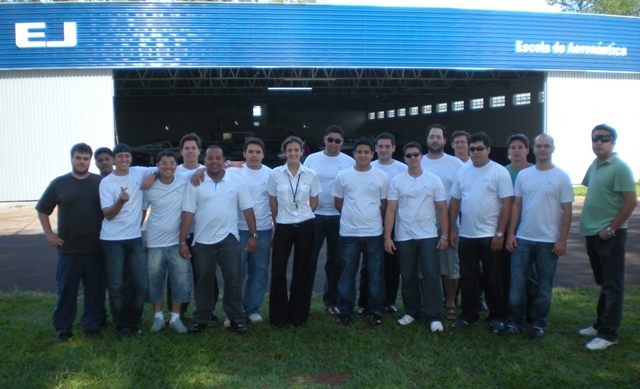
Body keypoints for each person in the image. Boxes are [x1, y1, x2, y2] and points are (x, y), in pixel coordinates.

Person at [180, 145, 257, 335]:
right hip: (202, 241)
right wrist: (182, 241)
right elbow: (188, 212)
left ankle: (235, 318)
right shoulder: (195, 182)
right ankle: (202, 317)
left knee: (233, 279)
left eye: (218, 158)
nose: (214, 161)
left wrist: (253, 235)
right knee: (204, 280)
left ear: (224, 161)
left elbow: (247, 209)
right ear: (204, 162)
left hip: (229, 239)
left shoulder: (236, 181)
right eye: (210, 158)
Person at [505, 134, 573, 338]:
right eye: (539, 146)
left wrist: (562, 239)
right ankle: (514, 322)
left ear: (553, 149)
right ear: (533, 149)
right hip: (523, 239)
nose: (542, 149)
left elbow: (567, 210)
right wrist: (511, 234)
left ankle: (538, 323)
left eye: (546, 146)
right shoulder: (525, 175)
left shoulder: (562, 176)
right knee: (517, 284)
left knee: (544, 286)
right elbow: (516, 206)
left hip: (548, 242)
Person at [36, 143, 106, 342]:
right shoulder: (59, 183)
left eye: (85, 158)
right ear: (72, 159)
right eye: (78, 158)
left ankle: (92, 326)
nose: (82, 162)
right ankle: (63, 329)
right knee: (67, 290)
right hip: (69, 249)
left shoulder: (100, 182)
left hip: (96, 248)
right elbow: (42, 210)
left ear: (90, 161)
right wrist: (49, 234)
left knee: (95, 290)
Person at [579, 124, 637, 351]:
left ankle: (608, 334)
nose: (599, 142)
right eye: (595, 138)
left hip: (610, 235)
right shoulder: (594, 165)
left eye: (604, 138)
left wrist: (611, 229)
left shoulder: (620, 167)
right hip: (592, 233)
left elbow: (631, 201)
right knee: (603, 283)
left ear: (613, 141)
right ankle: (599, 324)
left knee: (612, 285)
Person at [449, 132, 513, 333]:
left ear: (488, 150)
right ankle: (469, 314)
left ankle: (497, 317)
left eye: (479, 148)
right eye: (472, 149)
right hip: (467, 235)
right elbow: (455, 202)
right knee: (468, 277)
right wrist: (451, 229)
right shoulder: (462, 172)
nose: (475, 152)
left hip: (490, 236)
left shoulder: (499, 172)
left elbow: (507, 204)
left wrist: (500, 234)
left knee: (493, 278)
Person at [385, 141, 449, 332]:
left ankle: (434, 315)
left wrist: (444, 235)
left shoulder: (433, 180)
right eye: (409, 155)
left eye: (416, 154)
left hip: (428, 235)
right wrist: (388, 237)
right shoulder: (397, 180)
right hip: (404, 236)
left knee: (431, 275)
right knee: (408, 276)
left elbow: (442, 209)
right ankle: (412, 311)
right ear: (404, 159)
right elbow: (390, 210)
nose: (413, 158)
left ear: (421, 156)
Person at [99, 143, 154, 339]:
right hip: (112, 240)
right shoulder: (106, 183)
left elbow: (165, 168)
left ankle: (135, 322)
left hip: (135, 238)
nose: (124, 160)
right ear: (114, 160)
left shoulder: (138, 172)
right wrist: (121, 200)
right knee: (116, 285)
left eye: (127, 157)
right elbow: (108, 214)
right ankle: (122, 326)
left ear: (131, 159)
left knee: (141, 285)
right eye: (120, 157)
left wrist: (153, 176)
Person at [334, 137, 388, 326]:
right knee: (347, 273)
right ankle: (345, 310)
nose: (363, 155)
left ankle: (375, 310)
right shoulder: (343, 176)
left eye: (367, 152)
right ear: (354, 154)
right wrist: (353, 217)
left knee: (375, 274)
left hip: (373, 233)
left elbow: (383, 205)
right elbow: (339, 203)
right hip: (349, 233)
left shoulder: (381, 176)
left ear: (372, 154)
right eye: (359, 152)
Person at [268, 136, 321, 327]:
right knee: (278, 270)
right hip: (283, 225)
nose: (292, 153)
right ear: (285, 152)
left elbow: (314, 200)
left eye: (296, 150)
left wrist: (303, 213)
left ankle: (299, 316)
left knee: (302, 270)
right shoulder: (275, 174)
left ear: (302, 151)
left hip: (305, 226)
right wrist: (277, 221)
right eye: (289, 150)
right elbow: (272, 201)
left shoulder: (311, 174)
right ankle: (278, 317)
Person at [303, 125, 354, 315]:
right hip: (314, 216)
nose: (333, 144)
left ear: (343, 142)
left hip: (338, 217)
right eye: (330, 139)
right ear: (324, 139)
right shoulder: (312, 159)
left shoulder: (349, 162)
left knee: (336, 261)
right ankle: (303, 300)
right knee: (309, 259)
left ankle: (331, 300)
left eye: (338, 141)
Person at [357, 132, 407, 315]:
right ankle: (364, 301)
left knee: (392, 265)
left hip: (394, 223)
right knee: (368, 265)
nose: (384, 150)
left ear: (394, 148)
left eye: (388, 146)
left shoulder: (402, 168)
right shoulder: (367, 166)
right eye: (380, 146)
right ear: (375, 149)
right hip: (371, 224)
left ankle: (389, 301)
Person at [143, 150, 191, 334]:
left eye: (171, 163)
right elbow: (142, 210)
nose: (168, 166)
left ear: (176, 165)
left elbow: (204, 169)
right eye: (163, 163)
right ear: (157, 165)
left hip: (176, 242)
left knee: (180, 279)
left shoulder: (183, 178)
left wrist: (230, 163)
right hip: (154, 242)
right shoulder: (150, 185)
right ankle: (158, 317)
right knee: (155, 279)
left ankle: (176, 318)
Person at [421, 124, 464, 321]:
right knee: (426, 267)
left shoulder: (456, 165)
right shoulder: (418, 162)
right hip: (424, 225)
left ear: (445, 141)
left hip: (450, 223)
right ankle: (429, 302)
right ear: (427, 140)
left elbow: (462, 196)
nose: (435, 140)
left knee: (450, 266)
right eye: (432, 137)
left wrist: (453, 227)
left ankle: (450, 303)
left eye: (439, 137)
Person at [228, 137, 273, 324]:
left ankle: (252, 308)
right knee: (236, 272)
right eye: (250, 152)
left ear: (263, 154)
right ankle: (234, 311)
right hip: (238, 229)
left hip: (263, 229)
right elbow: (211, 166)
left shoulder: (271, 174)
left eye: (258, 152)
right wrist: (229, 163)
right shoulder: (233, 171)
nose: (254, 155)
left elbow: (274, 202)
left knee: (259, 270)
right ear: (244, 154)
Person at [171, 132, 213, 320]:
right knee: (178, 274)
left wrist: (202, 170)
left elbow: (230, 166)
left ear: (199, 151)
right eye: (186, 148)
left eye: (193, 148)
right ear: (181, 151)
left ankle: (207, 310)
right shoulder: (173, 170)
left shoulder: (209, 170)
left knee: (204, 273)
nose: (190, 151)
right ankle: (178, 312)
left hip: (202, 232)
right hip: (178, 232)